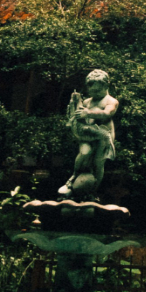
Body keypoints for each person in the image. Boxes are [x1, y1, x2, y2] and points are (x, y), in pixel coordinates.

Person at [58, 69, 118, 199]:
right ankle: (73, 177)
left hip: (103, 136)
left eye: (97, 91)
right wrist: (74, 106)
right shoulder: (87, 102)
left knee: (98, 163)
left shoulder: (111, 101)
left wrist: (88, 113)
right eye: (91, 91)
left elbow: (107, 113)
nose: (94, 94)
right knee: (85, 152)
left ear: (106, 86)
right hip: (87, 134)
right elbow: (78, 117)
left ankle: (93, 190)